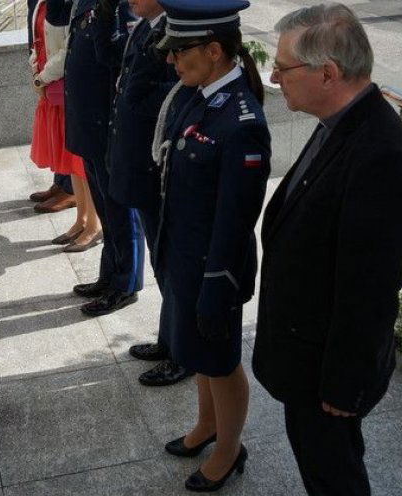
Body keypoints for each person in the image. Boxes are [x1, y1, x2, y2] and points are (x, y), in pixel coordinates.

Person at [252, 4, 402, 494]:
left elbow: (370, 285)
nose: (275, 78)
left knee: (334, 475)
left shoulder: (380, 152)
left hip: (327, 373)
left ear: (327, 73)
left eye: (282, 68)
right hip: (307, 353)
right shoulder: (339, 122)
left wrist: (345, 384)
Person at [152, 0, 270, 491]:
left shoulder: (240, 119)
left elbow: (235, 218)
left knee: (221, 363)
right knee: (198, 352)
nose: (173, 62)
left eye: (181, 52)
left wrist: (217, 284)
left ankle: (228, 448)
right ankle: (206, 426)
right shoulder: (199, 95)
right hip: (184, 256)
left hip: (212, 267)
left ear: (215, 50)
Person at [106, 0, 190, 386]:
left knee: (173, 267)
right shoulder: (145, 26)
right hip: (138, 164)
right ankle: (167, 339)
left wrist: (132, 101)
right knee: (162, 262)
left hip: (155, 168)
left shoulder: (176, 31)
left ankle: (182, 354)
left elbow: (172, 97)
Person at [64, 0, 146, 316]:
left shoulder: (123, 6)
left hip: (106, 127)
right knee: (105, 209)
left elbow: (118, 58)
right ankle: (109, 275)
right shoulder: (86, 4)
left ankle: (125, 285)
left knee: (120, 211)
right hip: (89, 127)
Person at [30, 0, 102, 251]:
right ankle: (81, 219)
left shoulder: (81, 4)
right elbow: (38, 41)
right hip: (62, 89)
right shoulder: (48, 3)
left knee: (82, 162)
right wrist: (36, 71)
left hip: (75, 88)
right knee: (72, 158)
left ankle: (94, 225)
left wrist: (42, 77)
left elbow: (69, 49)